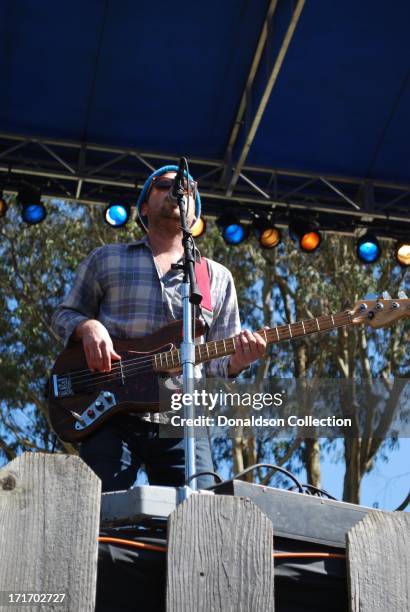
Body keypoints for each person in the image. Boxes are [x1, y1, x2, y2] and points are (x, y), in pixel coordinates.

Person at [51, 165, 267, 491]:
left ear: (195, 215)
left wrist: (239, 361)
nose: (178, 193)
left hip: (180, 416)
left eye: (189, 189)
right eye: (166, 185)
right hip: (112, 411)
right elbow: (64, 314)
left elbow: (218, 363)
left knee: (196, 519)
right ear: (144, 207)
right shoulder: (106, 259)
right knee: (101, 513)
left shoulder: (216, 277)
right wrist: (88, 326)